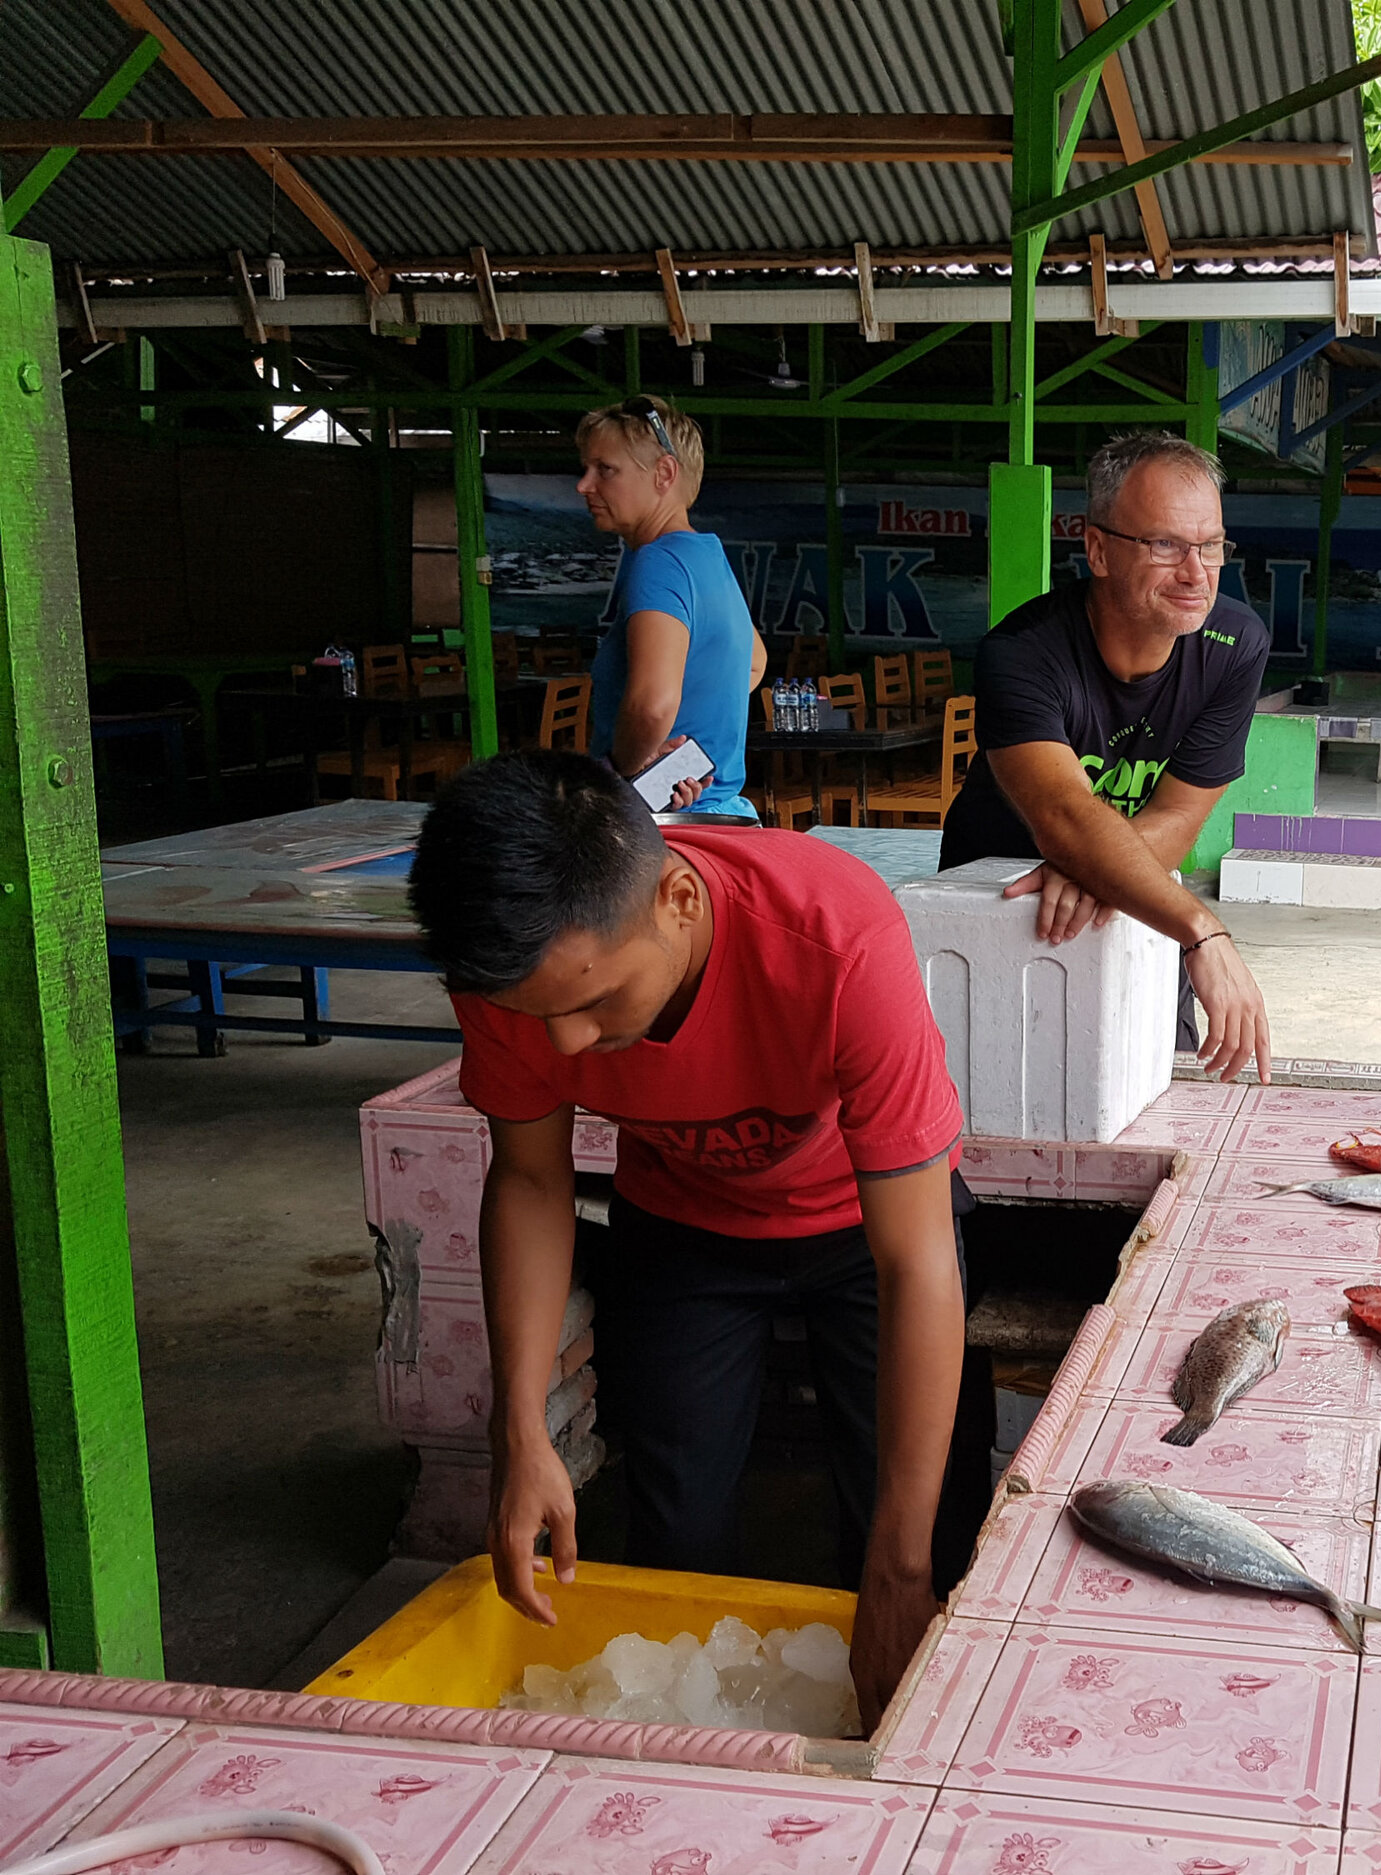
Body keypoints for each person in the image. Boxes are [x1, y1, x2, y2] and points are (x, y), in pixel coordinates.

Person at [406, 748, 979, 1725]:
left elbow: (916, 1258)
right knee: (672, 1527)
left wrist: (899, 1569)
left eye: (595, 1003)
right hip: (683, 1227)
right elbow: (533, 1181)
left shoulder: (835, 935)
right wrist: (521, 1429)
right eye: (541, 1019)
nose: (571, 1046)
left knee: (928, 1532)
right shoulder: (511, 963)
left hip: (865, 1223)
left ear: (676, 898)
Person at [940, 431, 1273, 1083]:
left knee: (1160, 1089)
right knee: (1001, 1099)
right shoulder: (1023, 653)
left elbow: (1180, 815)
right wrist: (1203, 930)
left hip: (1133, 898)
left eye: (1211, 546)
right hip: (1002, 907)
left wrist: (1095, 864)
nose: (1196, 573)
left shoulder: (1236, 644)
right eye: (1166, 545)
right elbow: (1062, 815)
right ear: (1097, 548)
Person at [576, 395, 767, 817]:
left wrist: (625, 768)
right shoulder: (707, 556)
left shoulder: (658, 561)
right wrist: (691, 742)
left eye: (605, 470)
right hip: (719, 814)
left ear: (663, 473)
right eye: (586, 469)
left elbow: (652, 705)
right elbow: (753, 664)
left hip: (662, 826)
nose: (584, 485)